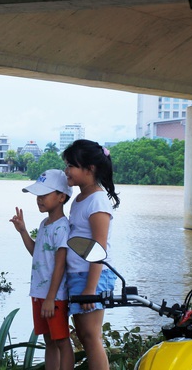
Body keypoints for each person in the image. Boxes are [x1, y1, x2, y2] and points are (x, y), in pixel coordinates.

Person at [62, 140, 120, 370]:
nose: (67, 170)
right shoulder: (79, 199)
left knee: (91, 336)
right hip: (78, 274)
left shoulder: (97, 200)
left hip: (93, 276)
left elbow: (99, 247)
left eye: (71, 165)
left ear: (90, 169)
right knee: (84, 336)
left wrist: (90, 289)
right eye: (67, 165)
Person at [10, 169, 74, 370]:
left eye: (44, 195)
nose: (39, 199)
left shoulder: (62, 227)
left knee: (62, 341)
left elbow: (60, 265)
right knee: (49, 341)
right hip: (39, 293)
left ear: (61, 197)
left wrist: (50, 298)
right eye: (38, 195)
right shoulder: (45, 224)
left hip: (53, 297)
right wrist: (23, 231)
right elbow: (37, 254)